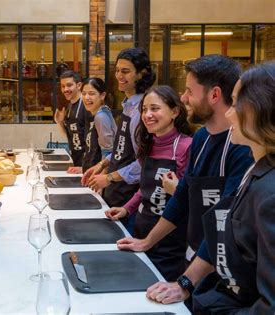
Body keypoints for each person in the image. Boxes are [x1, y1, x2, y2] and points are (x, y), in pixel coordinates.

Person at [116, 55, 254, 305]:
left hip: (223, 274)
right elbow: (181, 199)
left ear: (214, 95)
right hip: (193, 261)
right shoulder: (201, 138)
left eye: (190, 91)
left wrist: (185, 283)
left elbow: (223, 224)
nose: (183, 97)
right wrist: (146, 242)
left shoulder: (241, 149)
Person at [190, 62, 275, 314]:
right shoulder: (258, 169)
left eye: (236, 103)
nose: (228, 113)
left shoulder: (269, 194)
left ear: (260, 109)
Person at [105, 85, 193, 281]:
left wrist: (176, 189)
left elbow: (187, 201)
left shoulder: (187, 146)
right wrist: (126, 209)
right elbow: (145, 188)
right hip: (140, 229)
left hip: (168, 241)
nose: (147, 115)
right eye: (144, 109)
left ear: (175, 112)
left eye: (155, 108)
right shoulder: (148, 143)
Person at [82, 47, 155, 232]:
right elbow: (121, 148)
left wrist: (108, 177)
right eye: (117, 71)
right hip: (115, 194)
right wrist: (102, 164)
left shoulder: (141, 110)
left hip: (127, 200)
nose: (119, 76)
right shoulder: (128, 105)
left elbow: (144, 162)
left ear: (141, 74)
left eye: (126, 71)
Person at [54, 71, 91, 173]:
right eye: (63, 86)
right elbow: (69, 135)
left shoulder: (86, 106)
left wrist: (86, 167)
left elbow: (95, 141)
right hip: (76, 162)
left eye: (69, 85)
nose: (65, 89)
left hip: (88, 166)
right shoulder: (70, 106)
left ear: (79, 85)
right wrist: (60, 123)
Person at [80, 77, 116, 172]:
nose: (86, 97)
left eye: (91, 93)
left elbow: (109, 153)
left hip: (97, 178)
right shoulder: (96, 114)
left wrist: (101, 179)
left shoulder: (101, 116)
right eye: (83, 93)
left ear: (102, 95)